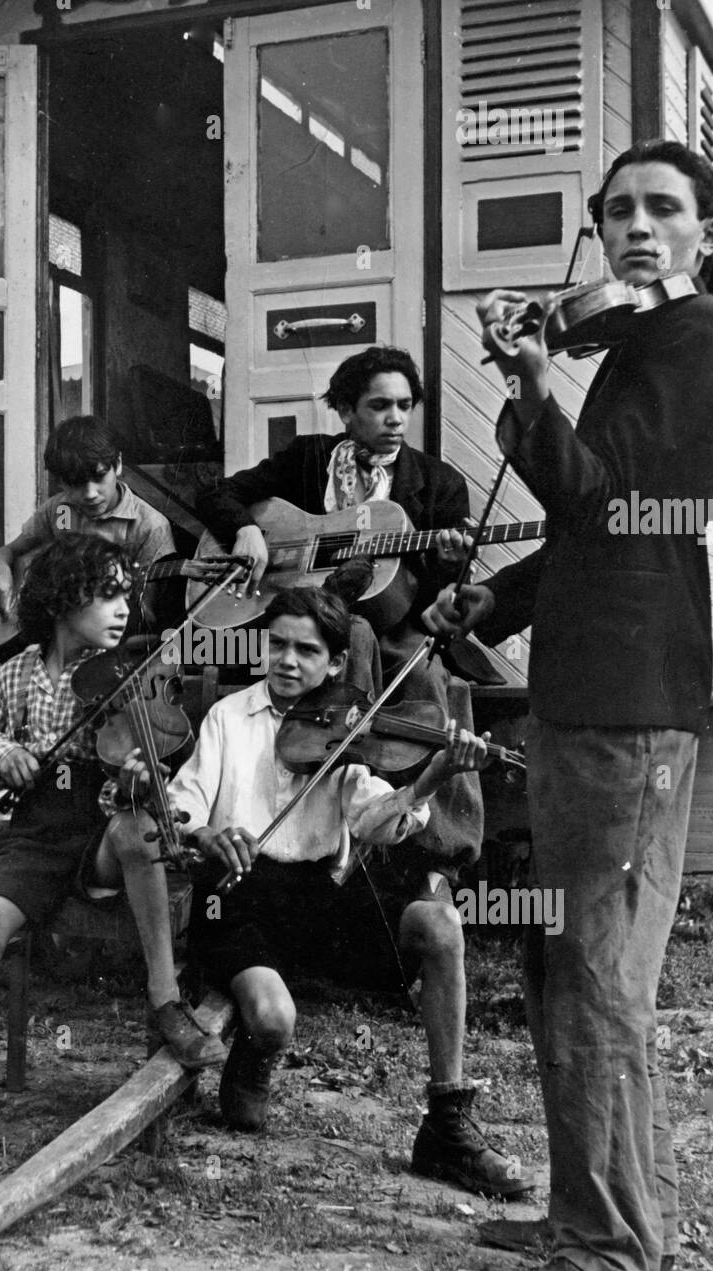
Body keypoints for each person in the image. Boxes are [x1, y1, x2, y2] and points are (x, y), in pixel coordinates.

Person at [425, 140, 713, 1271]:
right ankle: (593, 1216)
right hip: (593, 688)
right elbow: (602, 524)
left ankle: (606, 1258)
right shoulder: (640, 339)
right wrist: (498, 595)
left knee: (598, 977)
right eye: (615, 209)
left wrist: (527, 382)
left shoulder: (693, 337)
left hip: (625, 706)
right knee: (568, 963)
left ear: (709, 236)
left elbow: (595, 497)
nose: (632, 227)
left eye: (661, 209)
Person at [195, 347, 524, 1197]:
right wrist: (248, 530)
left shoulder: (436, 485)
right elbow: (226, 495)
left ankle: (438, 857)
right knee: (291, 695)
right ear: (344, 408)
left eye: (404, 405)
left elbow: (442, 585)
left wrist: (447, 567)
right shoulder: (306, 461)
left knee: (436, 694)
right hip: (310, 625)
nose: (393, 419)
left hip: (392, 630)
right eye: (377, 405)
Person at [169, 587, 532, 1199]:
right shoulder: (229, 717)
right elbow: (182, 805)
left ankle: (446, 1122)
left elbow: (374, 823)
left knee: (440, 926)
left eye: (306, 651)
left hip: (320, 899)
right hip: (237, 895)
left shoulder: (348, 727)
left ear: (336, 664)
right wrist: (208, 833)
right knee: (273, 1022)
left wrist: (427, 782)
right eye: (277, 644)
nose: (287, 661)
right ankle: (258, 1050)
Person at [0, 532, 226, 1183]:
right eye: (106, 596)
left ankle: (164, 1000)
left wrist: (136, 775)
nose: (123, 609)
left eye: (126, 596)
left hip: (104, 831)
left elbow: (162, 767)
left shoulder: (130, 673)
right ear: (62, 601)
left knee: (137, 829)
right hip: (38, 835)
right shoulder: (15, 677)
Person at [0, 415, 175, 650]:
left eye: (99, 477)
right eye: (76, 483)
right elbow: (9, 551)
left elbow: (146, 618)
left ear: (118, 464)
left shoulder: (149, 526)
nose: (90, 493)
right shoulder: (58, 509)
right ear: (61, 482)